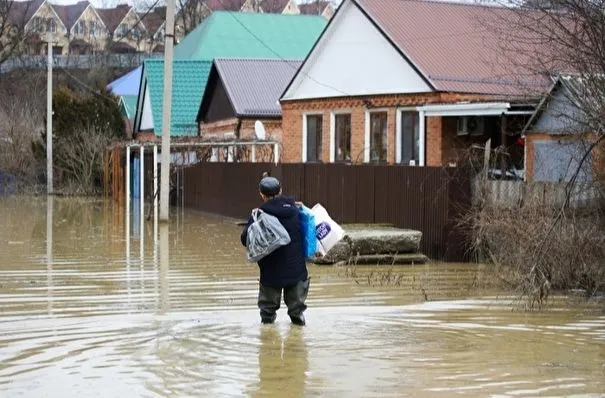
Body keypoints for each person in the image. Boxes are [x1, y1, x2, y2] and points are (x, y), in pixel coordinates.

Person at [240, 175, 310, 326]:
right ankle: (298, 343)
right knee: (297, 314)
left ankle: (268, 344)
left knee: (267, 315)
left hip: (271, 274)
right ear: (281, 191)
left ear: (262, 195)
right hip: (296, 272)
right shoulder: (295, 211)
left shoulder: (259, 215)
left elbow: (245, 239)